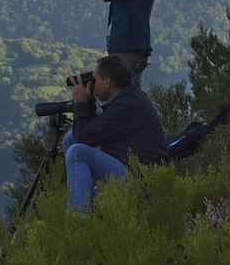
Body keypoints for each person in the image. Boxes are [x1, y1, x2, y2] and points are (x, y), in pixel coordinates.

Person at [62, 54, 168, 212]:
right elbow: (90, 134)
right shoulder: (128, 97)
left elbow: (84, 138)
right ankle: (90, 203)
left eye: (95, 79)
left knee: (77, 152)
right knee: (70, 138)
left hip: (142, 184)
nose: (93, 84)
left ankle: (79, 220)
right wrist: (89, 101)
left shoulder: (127, 106)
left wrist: (80, 104)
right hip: (131, 169)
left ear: (107, 82)